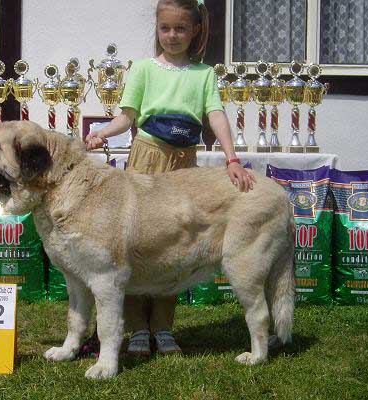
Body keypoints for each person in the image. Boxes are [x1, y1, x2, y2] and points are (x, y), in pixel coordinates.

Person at [84, 0, 256, 356]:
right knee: (132, 243)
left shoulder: (203, 74)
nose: (173, 35)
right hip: (146, 159)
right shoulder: (144, 70)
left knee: (173, 244)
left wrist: (232, 158)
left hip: (185, 165)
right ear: (157, 30)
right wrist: (102, 132)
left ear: (195, 31)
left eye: (181, 28)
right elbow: (126, 117)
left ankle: (162, 328)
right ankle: (135, 330)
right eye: (166, 28)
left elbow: (216, 116)